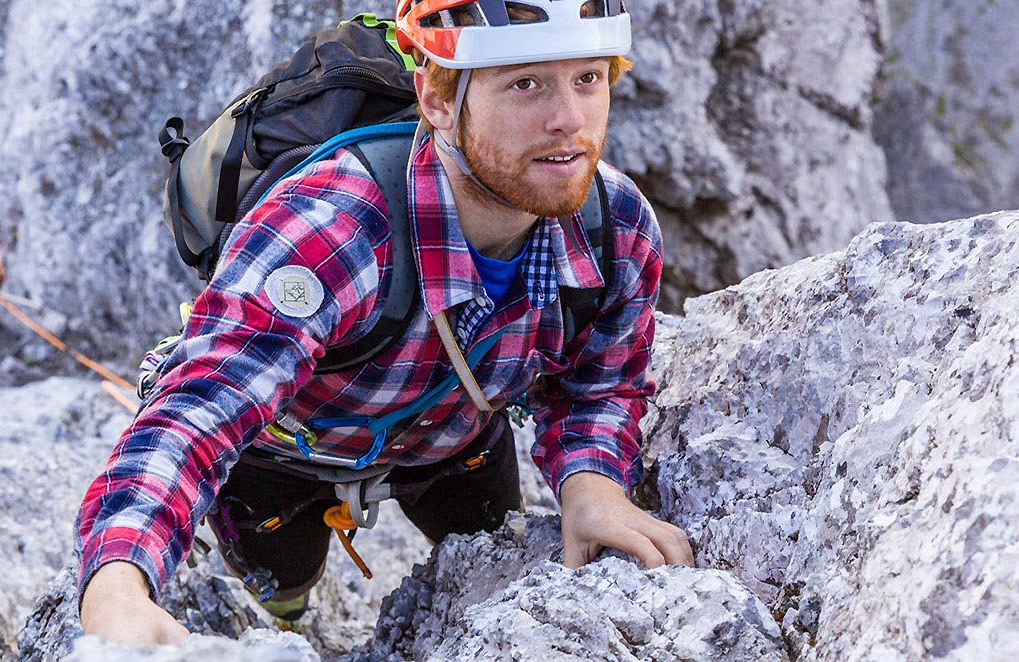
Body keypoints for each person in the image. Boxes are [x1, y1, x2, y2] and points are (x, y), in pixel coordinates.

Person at [76, 0, 692, 645]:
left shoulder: (614, 225)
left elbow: (596, 385)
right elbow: (200, 408)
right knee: (282, 589)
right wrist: (116, 586)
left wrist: (593, 486)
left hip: (457, 441)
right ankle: (289, 618)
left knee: (485, 557)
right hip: (281, 456)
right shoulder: (330, 228)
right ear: (436, 98)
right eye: (525, 83)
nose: (568, 121)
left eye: (588, 79)